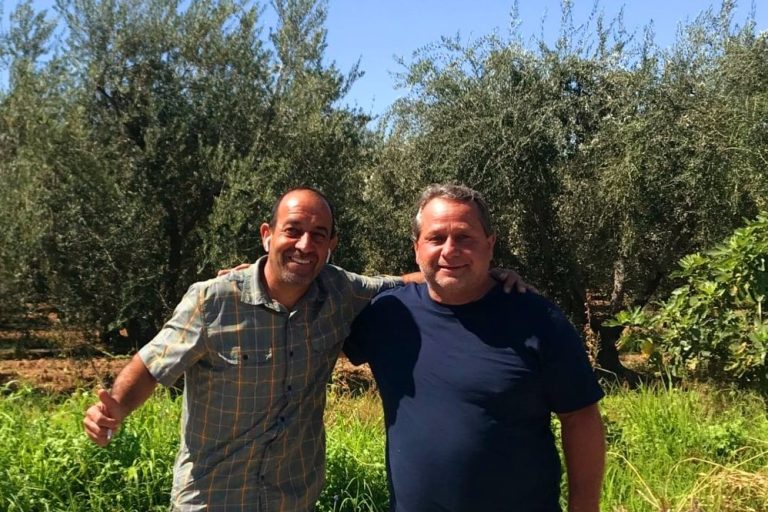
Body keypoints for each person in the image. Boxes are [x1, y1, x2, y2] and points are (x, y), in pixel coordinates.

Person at [83, 186, 527, 511]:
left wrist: (488, 273)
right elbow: (151, 363)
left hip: (291, 499)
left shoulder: (341, 292)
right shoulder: (214, 299)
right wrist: (116, 407)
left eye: (319, 234)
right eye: (293, 231)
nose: (305, 244)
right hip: (213, 499)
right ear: (267, 235)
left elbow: (414, 280)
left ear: (332, 245)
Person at [343, 184, 606, 512]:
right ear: (416, 248)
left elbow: (580, 417)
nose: (450, 250)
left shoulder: (538, 320)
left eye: (464, 238)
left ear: (490, 245)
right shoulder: (387, 315)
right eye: (436, 238)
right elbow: (313, 331)